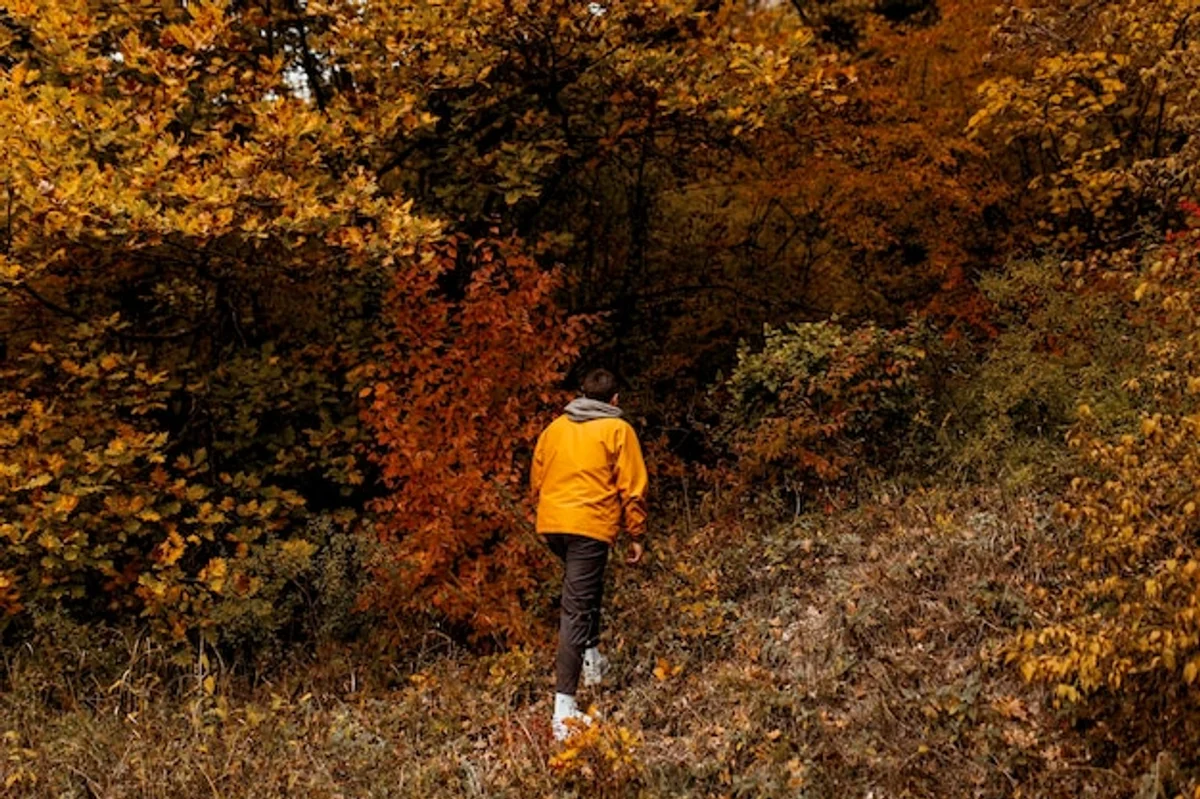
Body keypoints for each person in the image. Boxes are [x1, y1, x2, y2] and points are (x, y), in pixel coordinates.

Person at [531, 368, 649, 742]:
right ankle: (563, 712)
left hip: (553, 525)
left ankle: (593, 659)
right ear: (615, 400)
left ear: (581, 395)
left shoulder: (554, 429)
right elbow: (632, 487)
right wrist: (637, 533)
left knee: (585, 586)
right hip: (588, 526)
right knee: (576, 608)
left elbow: (536, 477)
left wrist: (547, 513)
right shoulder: (618, 430)